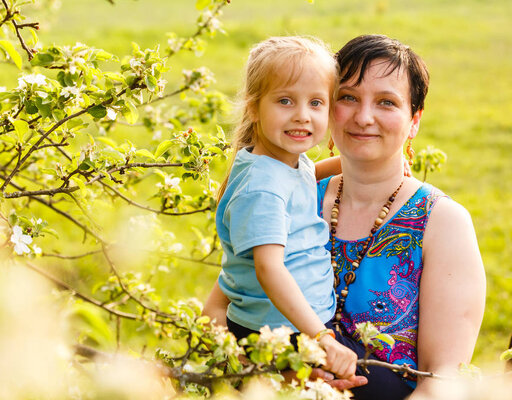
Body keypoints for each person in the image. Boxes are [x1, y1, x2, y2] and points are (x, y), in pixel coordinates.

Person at [203, 34, 486, 400]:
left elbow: (443, 381)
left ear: (414, 120)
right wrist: (274, 378)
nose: (364, 117)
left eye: (386, 102)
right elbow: (218, 308)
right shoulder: (297, 194)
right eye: (348, 97)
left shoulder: (441, 223)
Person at [213, 35, 357, 379]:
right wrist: (320, 336)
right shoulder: (262, 188)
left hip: (293, 322)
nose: (302, 116)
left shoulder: (285, 161)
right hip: (277, 330)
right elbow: (269, 269)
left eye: (316, 103)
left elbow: (304, 178)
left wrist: (349, 161)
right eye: (285, 101)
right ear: (253, 107)